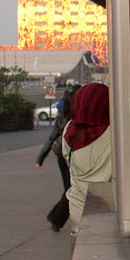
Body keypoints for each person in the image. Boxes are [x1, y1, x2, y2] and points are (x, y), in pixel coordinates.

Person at [60, 83, 114, 234]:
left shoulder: (69, 130)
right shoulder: (113, 133)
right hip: (109, 211)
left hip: (78, 211)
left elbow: (67, 160)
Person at [36, 97, 73, 231]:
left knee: (71, 189)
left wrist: (40, 159)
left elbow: (51, 138)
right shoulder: (73, 119)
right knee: (72, 190)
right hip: (68, 156)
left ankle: (56, 219)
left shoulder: (61, 118)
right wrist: (40, 158)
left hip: (61, 156)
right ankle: (56, 218)